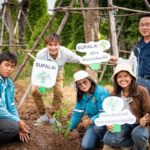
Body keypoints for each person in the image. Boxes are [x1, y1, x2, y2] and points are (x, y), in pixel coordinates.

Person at [32, 33, 81, 126]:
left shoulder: (65, 52)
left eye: (55, 45)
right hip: (43, 73)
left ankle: (54, 117)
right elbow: (37, 71)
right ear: (47, 45)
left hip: (58, 73)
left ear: (59, 45)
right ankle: (43, 116)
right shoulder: (41, 55)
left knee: (59, 93)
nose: (53, 47)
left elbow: (79, 59)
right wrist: (40, 85)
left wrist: (91, 63)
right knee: (35, 91)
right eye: (50, 45)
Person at [102, 62, 150, 150]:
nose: (122, 79)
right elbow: (111, 115)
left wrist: (145, 120)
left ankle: (139, 144)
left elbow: (148, 112)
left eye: (126, 76)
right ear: (116, 79)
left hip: (139, 124)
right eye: (119, 76)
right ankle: (131, 143)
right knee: (108, 139)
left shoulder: (142, 91)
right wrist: (110, 124)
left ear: (131, 77)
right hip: (123, 124)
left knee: (139, 134)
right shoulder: (114, 94)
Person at [109, 13, 150, 94]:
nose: (144, 27)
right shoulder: (137, 46)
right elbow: (130, 63)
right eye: (141, 25)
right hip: (140, 81)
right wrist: (117, 60)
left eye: (148, 25)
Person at [68, 70, 109, 150]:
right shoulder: (81, 95)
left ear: (90, 80)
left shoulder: (100, 91)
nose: (83, 85)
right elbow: (77, 113)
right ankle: (97, 140)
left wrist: (91, 120)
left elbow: (104, 112)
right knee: (86, 146)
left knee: (98, 127)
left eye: (85, 82)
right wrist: (69, 128)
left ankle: (105, 141)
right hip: (92, 124)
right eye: (79, 84)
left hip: (105, 122)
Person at [0, 52, 30, 143]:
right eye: (6, 65)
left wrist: (18, 120)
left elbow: (12, 106)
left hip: (2, 116)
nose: (9, 69)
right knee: (14, 127)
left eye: (12, 66)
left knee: (25, 132)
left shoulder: (9, 84)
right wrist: (17, 121)